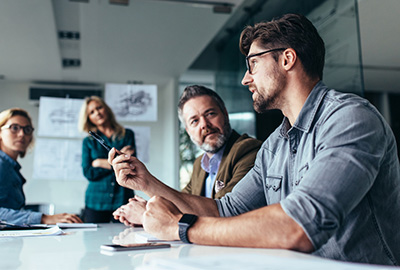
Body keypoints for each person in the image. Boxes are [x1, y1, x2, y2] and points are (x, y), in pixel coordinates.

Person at [109, 13, 400, 265]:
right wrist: (145, 182)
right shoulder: (274, 145)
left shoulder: (350, 119)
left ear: (287, 59)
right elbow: (224, 210)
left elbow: (299, 226)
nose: (245, 79)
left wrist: (181, 227)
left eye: (253, 64)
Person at [112, 85, 261, 225]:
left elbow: (225, 215)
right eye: (194, 121)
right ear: (188, 131)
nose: (204, 124)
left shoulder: (248, 151)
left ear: (225, 115)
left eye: (210, 114)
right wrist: (149, 208)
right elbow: (181, 205)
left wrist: (146, 212)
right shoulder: (200, 164)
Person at [0, 108, 82, 225]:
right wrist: (44, 218)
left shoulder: (11, 167)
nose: (22, 134)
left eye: (27, 129)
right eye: (14, 128)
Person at [79, 96, 136, 223]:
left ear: (106, 109)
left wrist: (99, 162)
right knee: (92, 240)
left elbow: (129, 166)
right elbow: (88, 172)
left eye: (99, 108)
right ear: (88, 118)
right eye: (92, 112)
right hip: (96, 201)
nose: (97, 113)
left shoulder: (127, 135)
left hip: (122, 198)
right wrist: (116, 163)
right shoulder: (88, 141)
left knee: (125, 238)